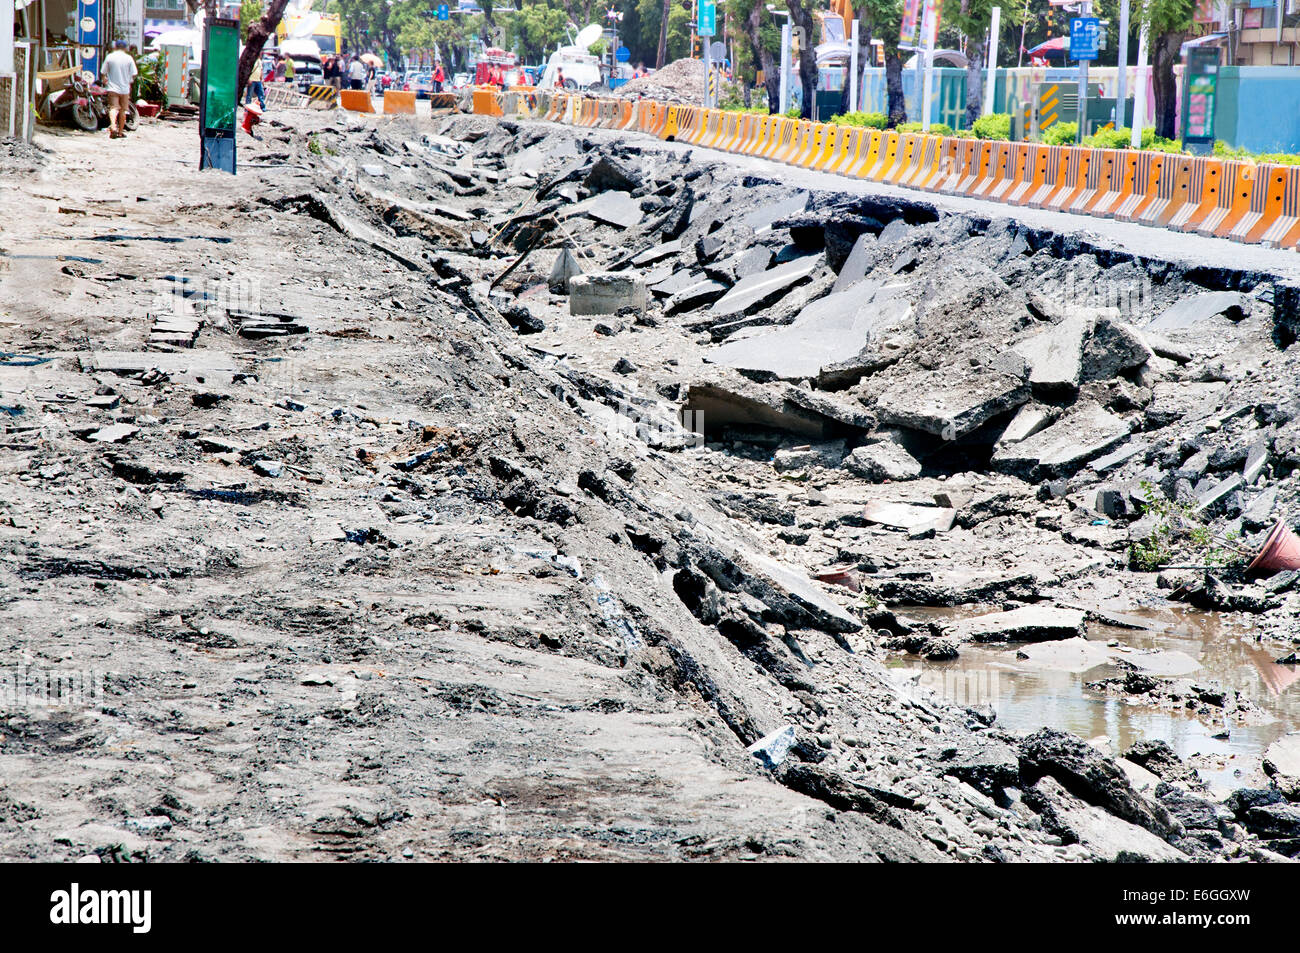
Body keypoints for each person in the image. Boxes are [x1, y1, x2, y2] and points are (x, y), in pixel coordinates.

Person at [100, 40, 137, 139]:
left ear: (115, 47)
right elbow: (134, 74)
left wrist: (104, 79)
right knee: (123, 110)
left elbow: (103, 72)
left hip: (112, 88)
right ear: (125, 48)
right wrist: (129, 81)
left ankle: (113, 126)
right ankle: (120, 132)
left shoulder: (110, 57)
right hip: (125, 89)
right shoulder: (129, 58)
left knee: (113, 108)